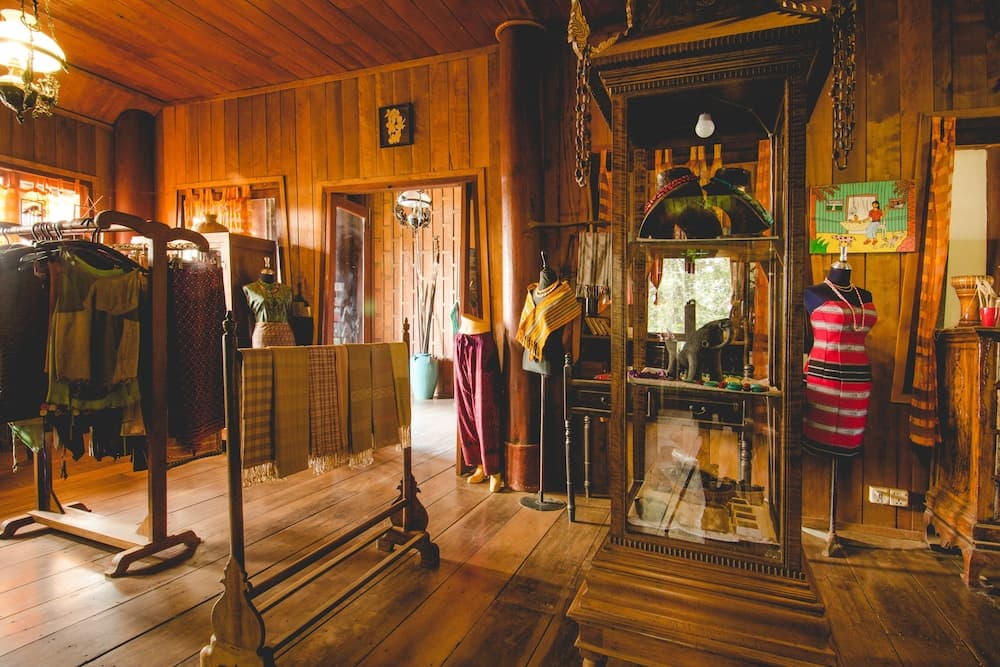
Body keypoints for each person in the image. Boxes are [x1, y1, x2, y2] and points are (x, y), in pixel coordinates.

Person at [802, 259, 877, 457]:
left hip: (859, 378)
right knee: (822, 433)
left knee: (850, 438)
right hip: (825, 374)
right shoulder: (813, 293)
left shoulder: (865, 295)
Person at [454, 315, 504, 492]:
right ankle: (480, 465)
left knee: (485, 407)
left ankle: (494, 469)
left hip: (482, 338)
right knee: (465, 406)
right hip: (462, 337)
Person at [242, 257, 295, 348]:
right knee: (262, 357)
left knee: (287, 357)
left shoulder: (286, 290)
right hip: (263, 335)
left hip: (285, 336)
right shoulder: (250, 289)